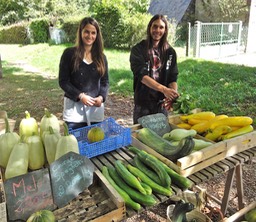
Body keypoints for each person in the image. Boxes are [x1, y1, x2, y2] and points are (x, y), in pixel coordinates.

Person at [59, 17, 109, 130]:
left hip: (95, 110)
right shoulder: (69, 54)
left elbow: (105, 82)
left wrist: (101, 97)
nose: (89, 36)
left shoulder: (101, 57)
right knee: (74, 144)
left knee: (94, 143)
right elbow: (63, 81)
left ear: (97, 35)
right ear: (81, 31)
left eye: (93, 33)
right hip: (74, 111)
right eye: (86, 31)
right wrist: (80, 96)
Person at [130, 14, 179, 124]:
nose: (157, 30)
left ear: (165, 30)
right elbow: (142, 76)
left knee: (162, 138)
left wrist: (172, 94)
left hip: (161, 105)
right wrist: (164, 89)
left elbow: (172, 77)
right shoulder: (138, 50)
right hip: (143, 104)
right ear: (150, 28)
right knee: (140, 138)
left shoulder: (170, 52)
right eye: (155, 26)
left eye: (161, 27)